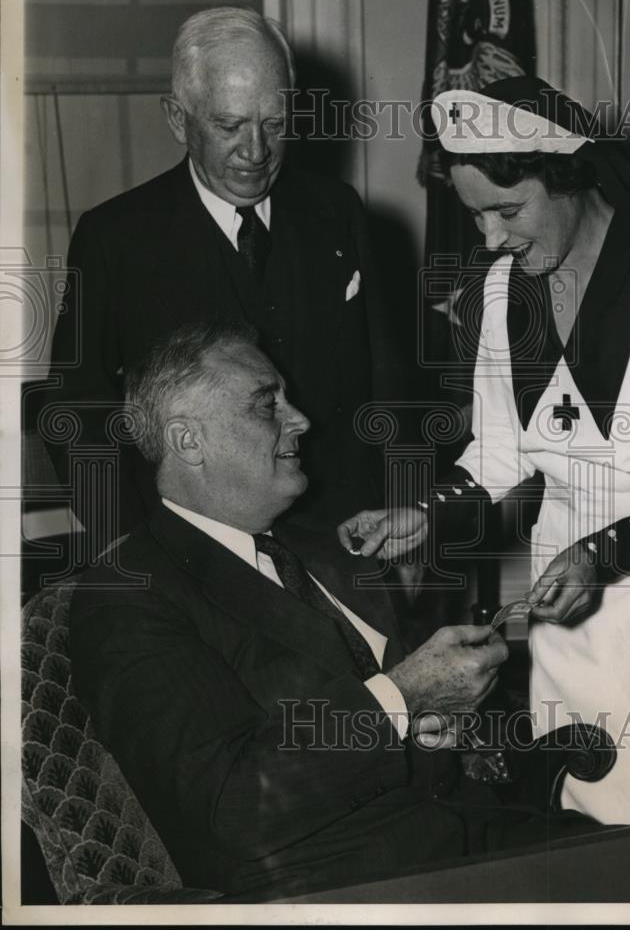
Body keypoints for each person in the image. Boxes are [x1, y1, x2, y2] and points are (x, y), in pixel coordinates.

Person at [339, 76, 630, 827]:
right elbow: (501, 449)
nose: (492, 239)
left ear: (566, 177)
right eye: (476, 216)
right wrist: (428, 512)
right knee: (576, 818)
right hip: (567, 618)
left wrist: (603, 553)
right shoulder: (505, 292)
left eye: (507, 210)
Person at [69, 320, 603, 900]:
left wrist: (450, 718)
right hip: (337, 888)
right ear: (188, 440)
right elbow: (232, 804)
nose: (301, 420)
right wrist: (404, 698)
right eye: (266, 405)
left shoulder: (325, 544)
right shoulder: (130, 593)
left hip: (475, 837)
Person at [44, 6, 395, 557]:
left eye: (274, 124)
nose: (255, 153)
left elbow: (388, 378)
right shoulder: (114, 237)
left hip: (345, 539)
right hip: (190, 555)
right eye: (229, 126)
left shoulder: (338, 212)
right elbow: (75, 412)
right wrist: (134, 543)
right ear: (178, 119)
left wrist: (406, 510)